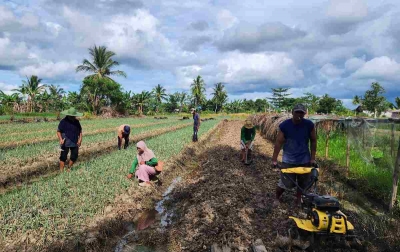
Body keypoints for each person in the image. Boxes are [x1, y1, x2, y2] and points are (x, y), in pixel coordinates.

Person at [271, 104, 317, 206]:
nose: (299, 114)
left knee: (302, 183)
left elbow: (313, 141)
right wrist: (274, 159)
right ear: (292, 112)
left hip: (304, 159)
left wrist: (312, 158)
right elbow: (278, 142)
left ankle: (298, 199)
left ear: (304, 114)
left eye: (301, 112)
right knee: (285, 183)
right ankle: (277, 198)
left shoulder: (309, 125)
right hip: (289, 160)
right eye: (297, 112)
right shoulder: (285, 125)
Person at [56, 107, 83, 172]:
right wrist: (60, 139)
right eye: (71, 116)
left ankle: (69, 168)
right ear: (68, 115)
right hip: (65, 141)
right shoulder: (63, 122)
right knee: (63, 157)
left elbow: (80, 131)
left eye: (73, 116)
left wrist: (80, 140)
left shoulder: (77, 122)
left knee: (74, 156)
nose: (73, 117)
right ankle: (61, 171)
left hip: (75, 141)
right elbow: (58, 131)